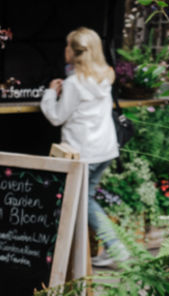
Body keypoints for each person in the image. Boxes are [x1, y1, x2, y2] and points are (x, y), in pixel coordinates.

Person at [41, 26, 129, 268]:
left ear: (75, 52)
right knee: (85, 199)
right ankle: (88, 253)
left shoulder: (74, 84)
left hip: (84, 152)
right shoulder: (105, 77)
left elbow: (56, 116)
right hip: (105, 149)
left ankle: (115, 248)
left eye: (68, 46)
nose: (64, 49)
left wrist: (50, 94)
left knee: (83, 201)